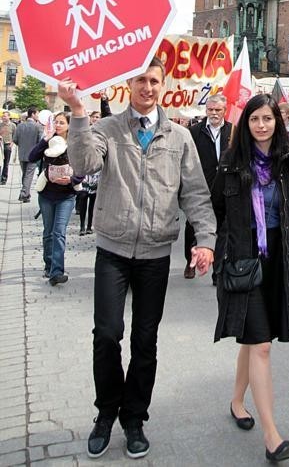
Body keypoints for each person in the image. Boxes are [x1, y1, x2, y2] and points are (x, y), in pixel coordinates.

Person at [59, 58, 217, 461]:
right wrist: (78, 112)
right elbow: (83, 163)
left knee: (145, 341)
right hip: (112, 250)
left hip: (155, 255)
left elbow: (196, 194)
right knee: (107, 334)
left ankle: (134, 420)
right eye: (140, 80)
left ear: (163, 85)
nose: (147, 87)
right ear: (127, 84)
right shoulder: (107, 130)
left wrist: (206, 240)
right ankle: (105, 413)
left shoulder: (179, 136)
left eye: (154, 80)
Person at [213, 93, 289, 463]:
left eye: (267, 118)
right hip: (244, 259)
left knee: (253, 336)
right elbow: (217, 212)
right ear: (246, 124)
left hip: (279, 261)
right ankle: (272, 435)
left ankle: (237, 400)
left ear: (277, 121)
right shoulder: (231, 163)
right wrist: (214, 255)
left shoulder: (287, 162)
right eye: (254, 119)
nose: (261, 125)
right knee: (261, 344)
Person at [29, 113, 81, 285]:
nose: (58, 125)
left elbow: (83, 166)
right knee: (48, 233)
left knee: (59, 232)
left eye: (61, 122)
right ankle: (49, 264)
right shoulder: (49, 142)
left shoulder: (74, 143)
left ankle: (56, 271)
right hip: (47, 195)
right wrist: (45, 139)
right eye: (56, 122)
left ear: (69, 125)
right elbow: (31, 157)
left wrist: (73, 180)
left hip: (66, 196)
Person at [186, 94, 232, 280]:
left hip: (223, 187)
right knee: (193, 226)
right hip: (199, 185)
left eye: (217, 110)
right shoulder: (195, 131)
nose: (213, 113)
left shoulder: (233, 130)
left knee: (221, 229)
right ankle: (190, 262)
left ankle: (217, 268)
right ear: (205, 110)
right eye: (210, 110)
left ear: (224, 111)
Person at [14, 106, 43, 202]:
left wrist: (22, 145)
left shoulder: (20, 125)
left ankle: (26, 194)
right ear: (33, 114)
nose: (38, 116)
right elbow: (40, 142)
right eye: (37, 113)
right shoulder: (38, 126)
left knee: (25, 174)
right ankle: (24, 194)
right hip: (33, 154)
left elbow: (15, 140)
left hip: (22, 153)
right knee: (28, 175)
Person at [1, 110, 15, 184]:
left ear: (9, 117)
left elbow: (15, 136)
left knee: (6, 163)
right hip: (0, 146)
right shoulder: (0, 125)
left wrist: (11, 144)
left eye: (5, 116)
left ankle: (4, 178)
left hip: (7, 145)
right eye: (2, 116)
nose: (3, 117)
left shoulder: (13, 125)